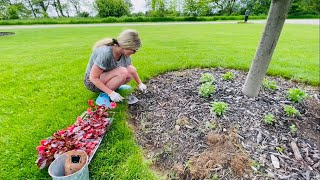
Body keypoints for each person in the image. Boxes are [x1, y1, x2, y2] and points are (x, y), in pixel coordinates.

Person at [84, 29, 147, 102]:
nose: (135, 52)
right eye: (134, 50)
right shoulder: (105, 53)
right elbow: (93, 78)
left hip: (104, 77)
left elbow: (131, 70)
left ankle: (115, 87)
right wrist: (111, 93)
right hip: (92, 83)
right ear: (126, 46)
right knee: (123, 72)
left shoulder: (124, 54)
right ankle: (104, 95)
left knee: (129, 70)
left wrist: (140, 84)